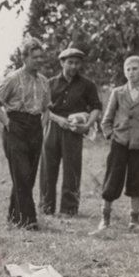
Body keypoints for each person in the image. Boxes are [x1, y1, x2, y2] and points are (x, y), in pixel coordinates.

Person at [92, 55, 139, 233]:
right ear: (124, 72)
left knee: (137, 180)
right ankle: (105, 218)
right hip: (119, 143)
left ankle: (134, 219)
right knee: (112, 180)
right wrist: (111, 135)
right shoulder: (118, 92)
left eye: (135, 68)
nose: (131, 72)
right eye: (128, 69)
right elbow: (106, 120)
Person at [0, 39, 50, 230]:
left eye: (41, 57)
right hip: (16, 127)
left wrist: (43, 125)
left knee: (28, 176)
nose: (38, 61)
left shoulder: (44, 81)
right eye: (34, 57)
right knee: (21, 174)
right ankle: (28, 220)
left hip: (35, 128)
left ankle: (14, 215)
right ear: (24, 58)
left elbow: (47, 108)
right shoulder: (12, 78)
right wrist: (8, 123)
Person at [39, 47, 102, 217]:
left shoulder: (87, 85)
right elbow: (42, 108)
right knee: (47, 169)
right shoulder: (49, 83)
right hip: (52, 128)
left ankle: (69, 209)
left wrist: (87, 125)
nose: (74, 66)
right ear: (62, 62)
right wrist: (59, 120)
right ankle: (46, 208)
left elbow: (96, 107)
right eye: (70, 63)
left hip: (74, 130)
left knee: (72, 169)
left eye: (77, 63)